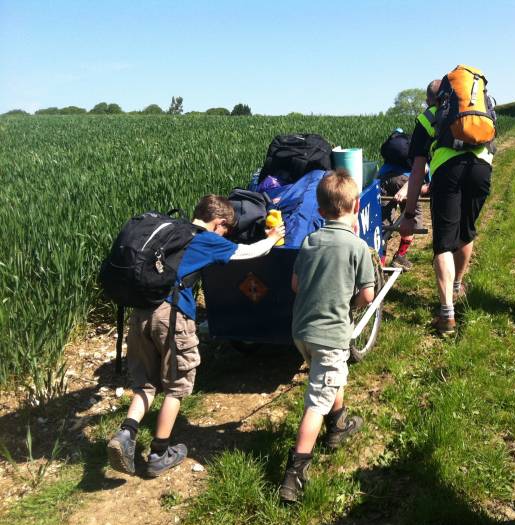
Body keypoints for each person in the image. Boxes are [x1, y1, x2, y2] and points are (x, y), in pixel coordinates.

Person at [107, 195, 285, 477]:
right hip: (171, 315)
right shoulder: (204, 239)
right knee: (177, 385)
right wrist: (273, 238)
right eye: (226, 230)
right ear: (219, 224)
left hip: (139, 313)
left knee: (146, 384)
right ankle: (159, 452)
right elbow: (248, 253)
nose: (224, 235)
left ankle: (127, 434)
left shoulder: (171, 230)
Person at [280, 170, 376, 502]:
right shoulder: (357, 247)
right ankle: (296, 473)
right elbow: (366, 296)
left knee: (331, 376)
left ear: (320, 211)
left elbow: (295, 285)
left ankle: (338, 424)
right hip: (330, 334)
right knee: (315, 402)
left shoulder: (308, 242)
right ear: (357, 205)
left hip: (302, 332)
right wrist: (348, 299)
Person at [400, 79, 494, 335]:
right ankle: (457, 286)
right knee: (466, 230)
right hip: (482, 170)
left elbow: (418, 168)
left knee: (444, 242)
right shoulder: (479, 112)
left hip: (448, 173)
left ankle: (446, 315)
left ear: (432, 99)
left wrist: (409, 213)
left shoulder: (428, 117)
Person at [378, 128, 429, 270]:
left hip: (384, 181)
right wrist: (408, 189)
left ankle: (379, 262)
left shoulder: (390, 152)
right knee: (412, 219)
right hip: (407, 181)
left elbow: (381, 172)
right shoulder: (420, 151)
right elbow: (422, 171)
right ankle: (400, 257)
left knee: (383, 223)